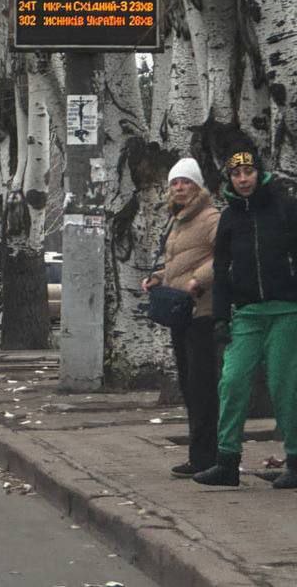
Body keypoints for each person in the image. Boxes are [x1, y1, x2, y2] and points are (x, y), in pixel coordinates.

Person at [195, 149, 297, 488]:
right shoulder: (229, 218)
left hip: (286, 312)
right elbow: (221, 272)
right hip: (247, 314)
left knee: (285, 387)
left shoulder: (284, 207)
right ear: (230, 179)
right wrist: (221, 318)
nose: (243, 180)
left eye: (248, 172)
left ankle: (295, 462)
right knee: (233, 381)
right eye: (236, 175)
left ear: (259, 173)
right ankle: (227, 462)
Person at [141, 157, 220, 476]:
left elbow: (223, 256)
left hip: (203, 311)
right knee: (189, 386)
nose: (179, 187)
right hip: (182, 313)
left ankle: (208, 457)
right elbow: (179, 262)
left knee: (202, 387)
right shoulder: (178, 219)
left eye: (185, 182)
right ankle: (199, 456)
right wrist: (160, 277)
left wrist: (198, 279)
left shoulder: (210, 217)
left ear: (197, 185)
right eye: (175, 183)